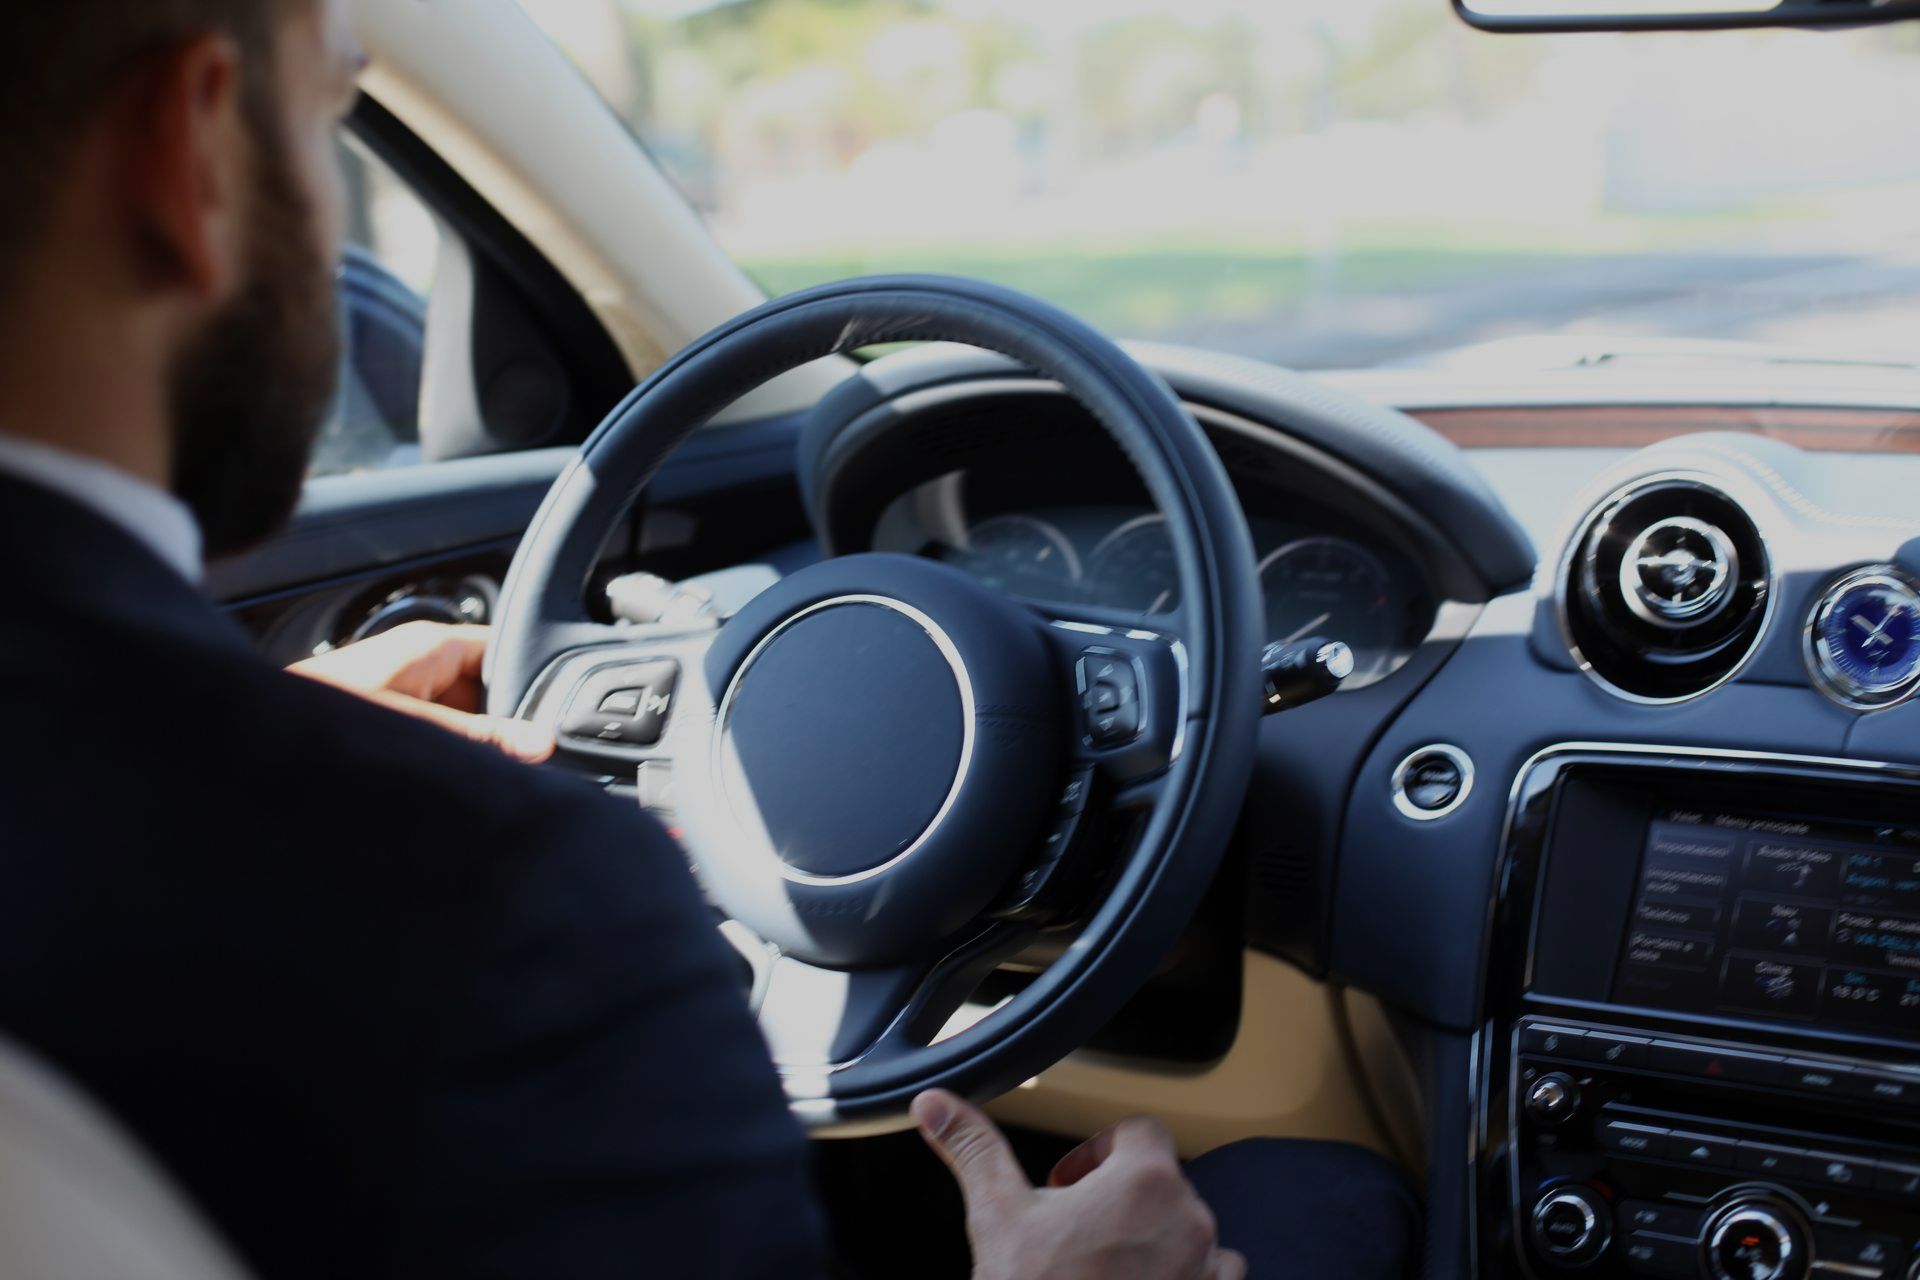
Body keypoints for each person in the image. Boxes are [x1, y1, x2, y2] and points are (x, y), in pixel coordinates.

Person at [0, 1, 1416, 1277]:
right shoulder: (504, 912)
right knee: (1320, 1198)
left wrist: (265, 722)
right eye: (328, 125)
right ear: (192, 156)